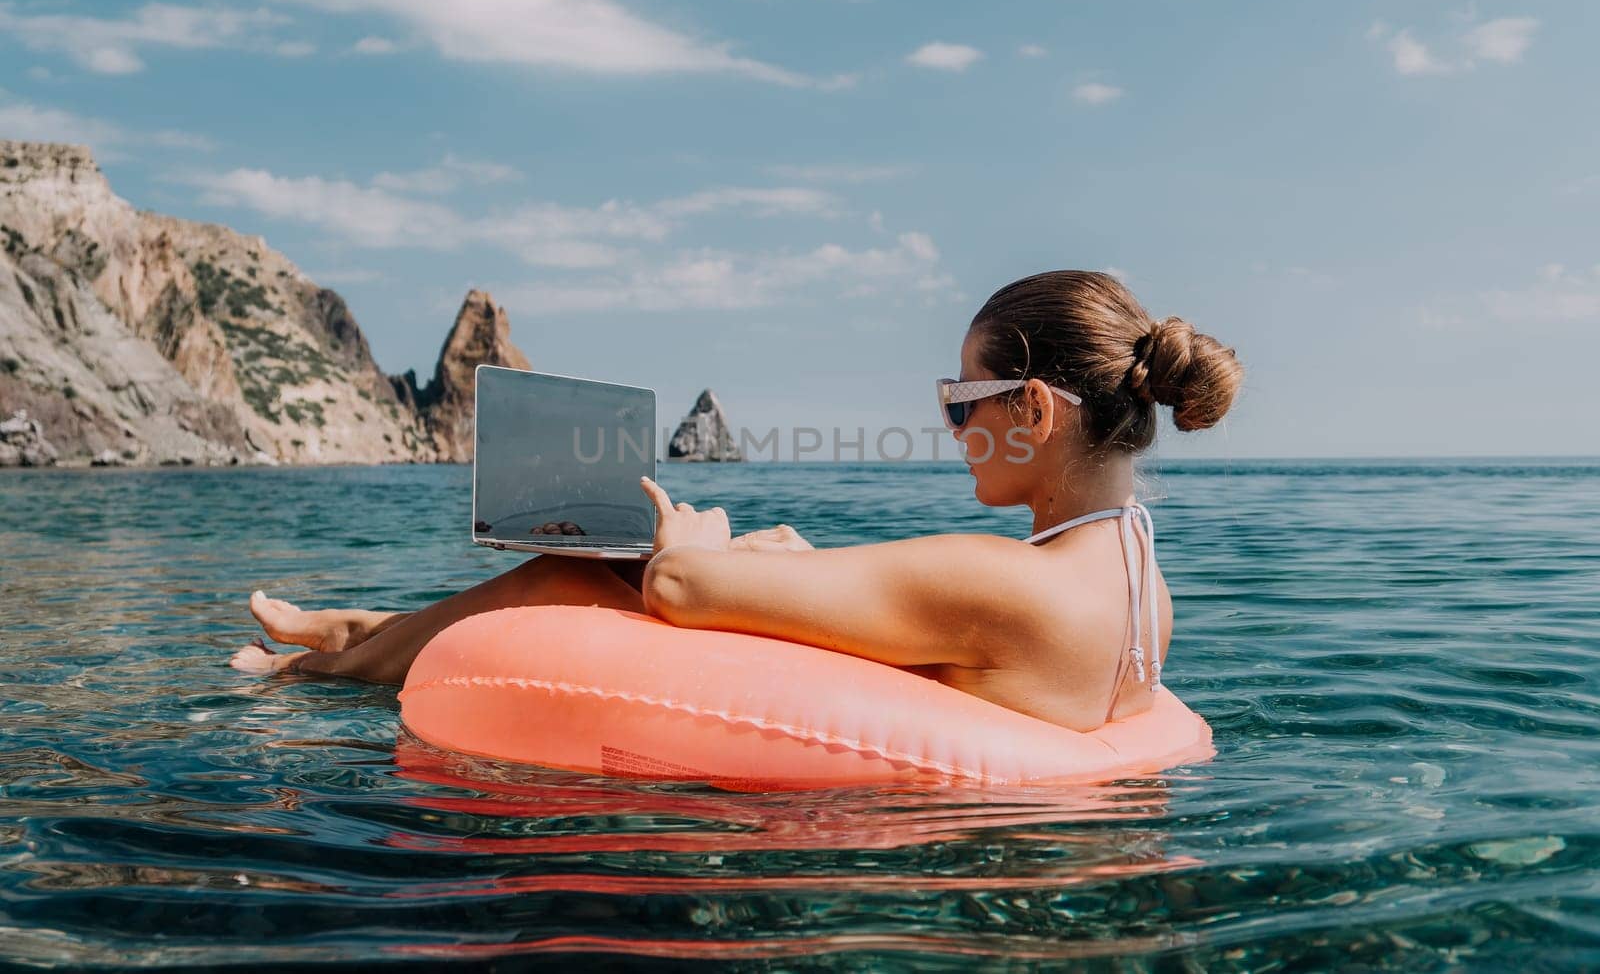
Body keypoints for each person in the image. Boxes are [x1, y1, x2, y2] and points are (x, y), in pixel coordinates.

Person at [232, 271, 1242, 732]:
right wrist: (775, 556)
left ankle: (321, 670)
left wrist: (696, 538)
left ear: (1030, 407)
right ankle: (353, 633)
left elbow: (677, 584)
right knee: (755, 551)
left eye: (957, 399)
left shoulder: (1007, 580)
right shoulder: (1138, 578)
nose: (948, 425)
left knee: (587, 570)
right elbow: (944, 621)